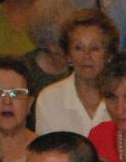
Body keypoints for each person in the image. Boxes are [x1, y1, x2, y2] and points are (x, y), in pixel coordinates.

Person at [34, 8, 118, 138]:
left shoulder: (123, 99)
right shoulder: (50, 99)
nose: (86, 56)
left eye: (94, 48)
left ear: (109, 55)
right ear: (68, 55)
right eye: (78, 48)